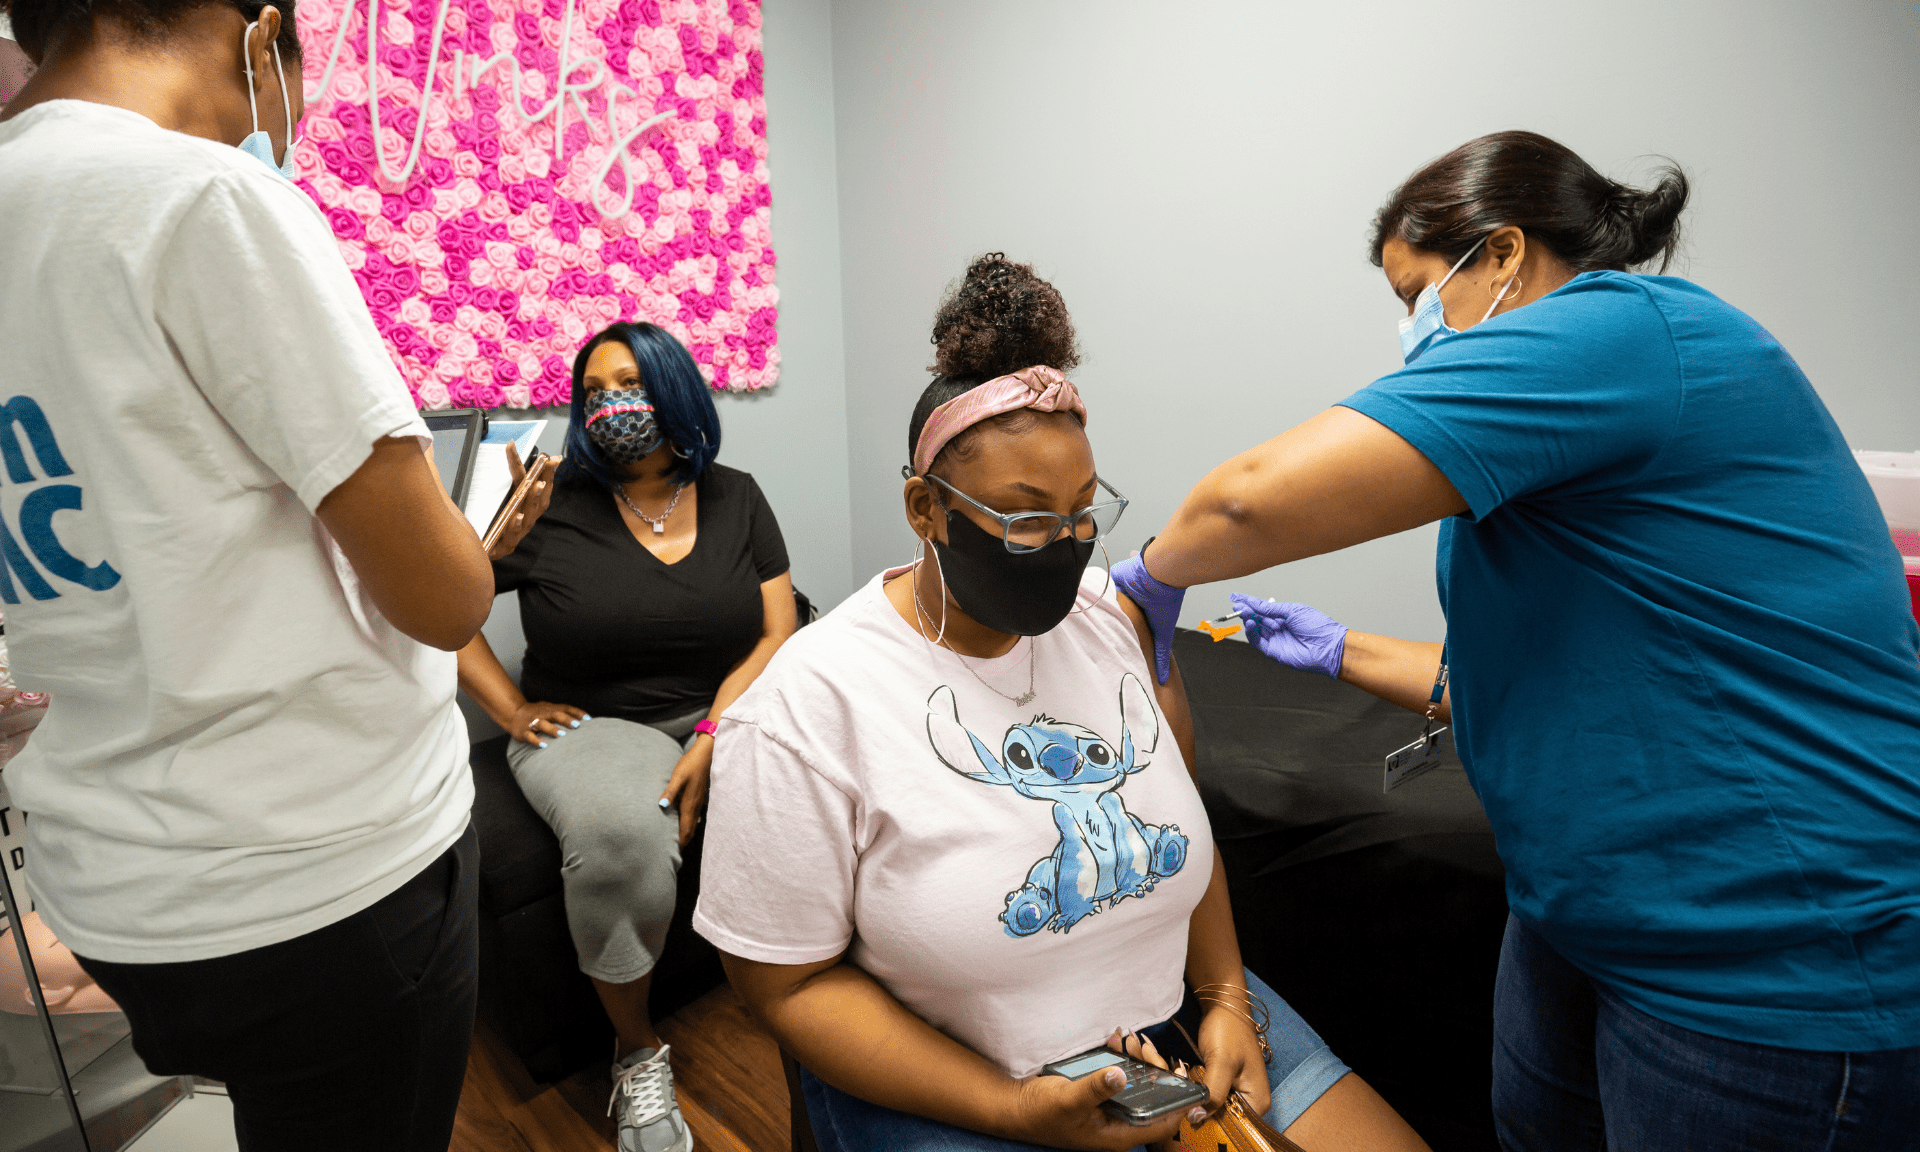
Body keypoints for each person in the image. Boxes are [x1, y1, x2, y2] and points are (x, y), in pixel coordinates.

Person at [1112, 132, 1920, 1149]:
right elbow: (1545, 675)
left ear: (1500, 254)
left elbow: (1244, 503)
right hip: (1577, 922)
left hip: (1759, 956)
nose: (1414, 332)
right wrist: (1339, 648)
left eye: (1419, 295)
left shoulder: (1619, 333)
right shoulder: (1573, 426)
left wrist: (1150, 576)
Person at [693, 255, 1429, 1152]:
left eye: (1083, 511)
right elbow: (786, 988)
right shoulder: (805, 708)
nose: (1066, 546)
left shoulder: (1110, 623)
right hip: (962, 1072)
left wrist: (1226, 999)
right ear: (927, 509)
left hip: (1177, 1019)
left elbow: (1185, 838)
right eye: (1025, 517)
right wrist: (1009, 1108)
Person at [0, 1, 511, 1150]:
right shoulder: (205, 200)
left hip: (119, 895)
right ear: (260, 34)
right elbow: (447, 599)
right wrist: (472, 538)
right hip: (320, 883)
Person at [457, 320, 797, 1152]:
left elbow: (775, 633)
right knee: (620, 834)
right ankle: (637, 1051)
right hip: (594, 726)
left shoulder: (738, 496)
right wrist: (508, 710)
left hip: (725, 705)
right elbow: (447, 616)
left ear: (675, 392)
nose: (612, 406)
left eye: (631, 387)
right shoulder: (550, 507)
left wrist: (716, 733)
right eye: (596, 393)